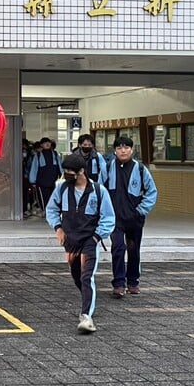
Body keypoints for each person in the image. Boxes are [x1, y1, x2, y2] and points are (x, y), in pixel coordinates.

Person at [46, 154, 115, 334]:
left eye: (70, 171)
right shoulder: (62, 189)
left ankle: (86, 316)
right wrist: (58, 228)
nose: (67, 174)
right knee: (76, 275)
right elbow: (51, 209)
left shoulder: (99, 191)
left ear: (81, 171)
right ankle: (88, 298)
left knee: (86, 277)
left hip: (90, 240)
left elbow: (108, 217)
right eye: (65, 171)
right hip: (70, 241)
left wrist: (96, 237)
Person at [101, 136, 158, 298]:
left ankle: (133, 282)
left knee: (134, 250)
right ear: (115, 151)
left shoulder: (140, 169)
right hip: (115, 219)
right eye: (119, 148)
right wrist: (103, 212)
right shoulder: (107, 167)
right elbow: (99, 190)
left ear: (132, 150)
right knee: (118, 248)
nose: (123, 151)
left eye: (126, 148)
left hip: (134, 219)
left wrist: (140, 210)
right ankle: (119, 283)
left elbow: (152, 192)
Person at [28, 137, 62, 210]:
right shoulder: (38, 155)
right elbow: (34, 168)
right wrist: (33, 181)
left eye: (48, 142)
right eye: (44, 143)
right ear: (41, 145)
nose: (47, 144)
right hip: (41, 183)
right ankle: (46, 212)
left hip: (53, 182)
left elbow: (60, 167)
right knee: (43, 200)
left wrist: (62, 177)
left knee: (53, 199)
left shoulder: (55, 154)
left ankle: (50, 212)